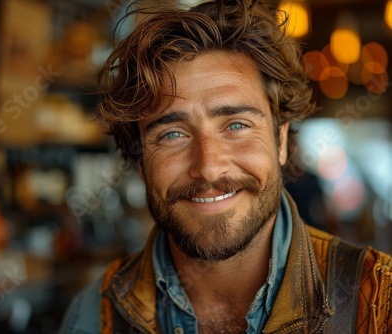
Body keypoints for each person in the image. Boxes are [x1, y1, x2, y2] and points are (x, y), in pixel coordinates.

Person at [59, 0, 392, 333]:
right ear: (141, 162)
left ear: (280, 141)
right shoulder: (93, 314)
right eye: (172, 134)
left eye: (236, 125)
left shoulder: (381, 300)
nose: (208, 168)